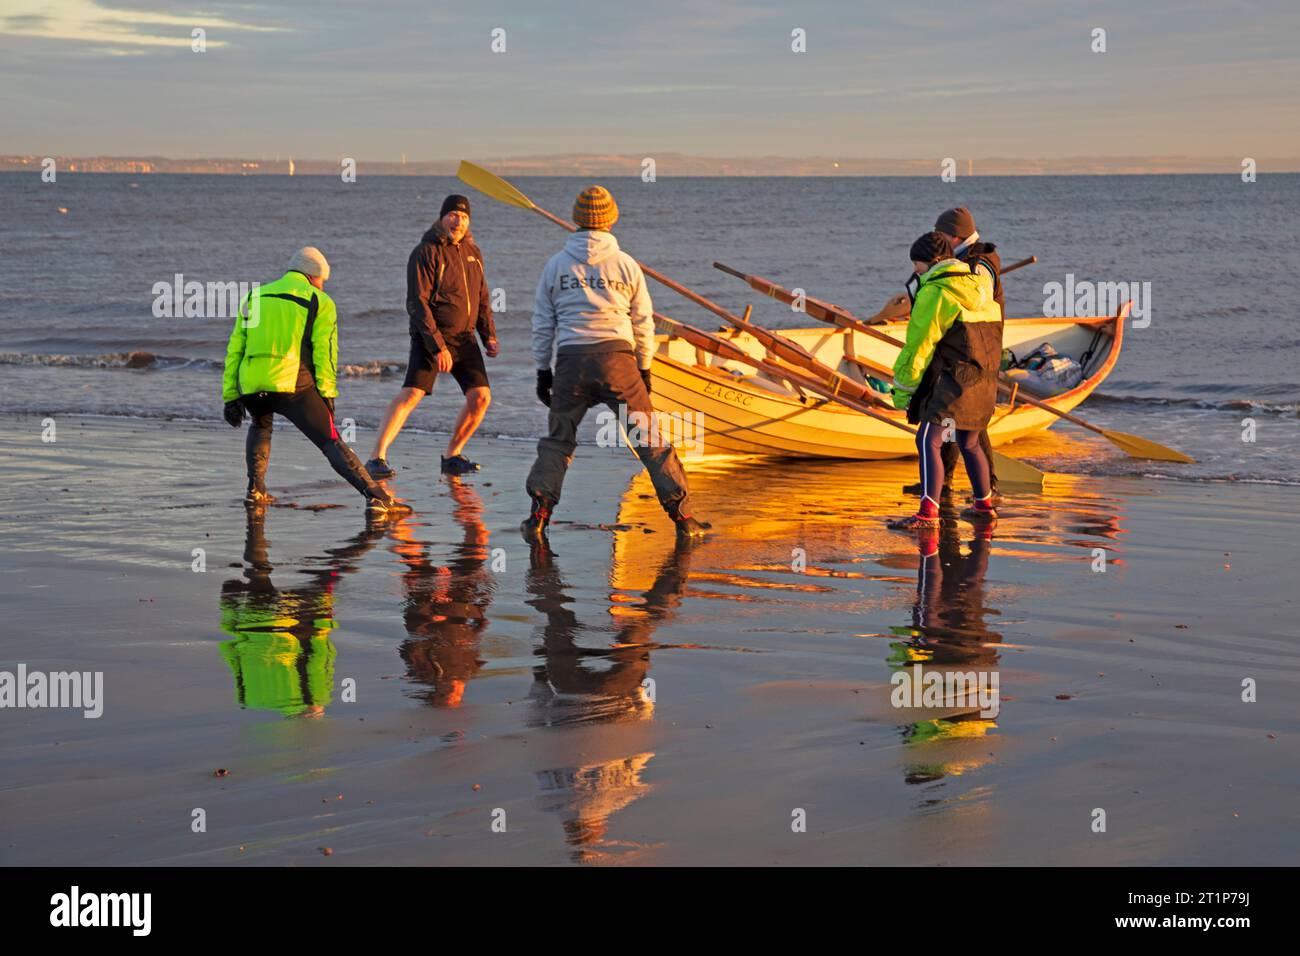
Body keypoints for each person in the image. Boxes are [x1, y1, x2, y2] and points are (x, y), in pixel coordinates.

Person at [522, 185, 707, 540]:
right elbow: (643, 322)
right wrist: (644, 368)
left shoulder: (556, 265)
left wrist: (543, 370)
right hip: (617, 362)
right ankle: (683, 518)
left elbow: (543, 323)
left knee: (559, 441)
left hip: (571, 363)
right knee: (648, 440)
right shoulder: (626, 264)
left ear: (577, 219)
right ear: (611, 220)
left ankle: (539, 517)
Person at [221, 246, 410, 514]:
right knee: (331, 440)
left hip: (251, 384)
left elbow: (235, 349)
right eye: (322, 279)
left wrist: (231, 396)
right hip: (292, 386)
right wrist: (328, 394)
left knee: (260, 425)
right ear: (312, 275)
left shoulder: (255, 296)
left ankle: (255, 491)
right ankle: (377, 498)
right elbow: (325, 355)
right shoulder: (320, 301)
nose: (323, 285)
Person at [366, 195, 498, 479]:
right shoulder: (425, 252)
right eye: (453, 215)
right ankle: (376, 457)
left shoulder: (473, 252)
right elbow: (417, 303)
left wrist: (489, 335)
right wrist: (438, 346)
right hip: (430, 338)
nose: (458, 221)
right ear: (442, 218)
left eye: (464, 217)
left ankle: (452, 455)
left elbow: (482, 297)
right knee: (412, 394)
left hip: (464, 339)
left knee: (481, 397)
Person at [887, 232, 1001, 530]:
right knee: (969, 441)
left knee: (927, 440)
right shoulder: (982, 287)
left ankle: (927, 514)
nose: (915, 271)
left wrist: (903, 392)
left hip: (954, 382)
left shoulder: (935, 292)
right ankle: (984, 506)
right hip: (985, 381)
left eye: (917, 265)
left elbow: (918, 348)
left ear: (933, 262)